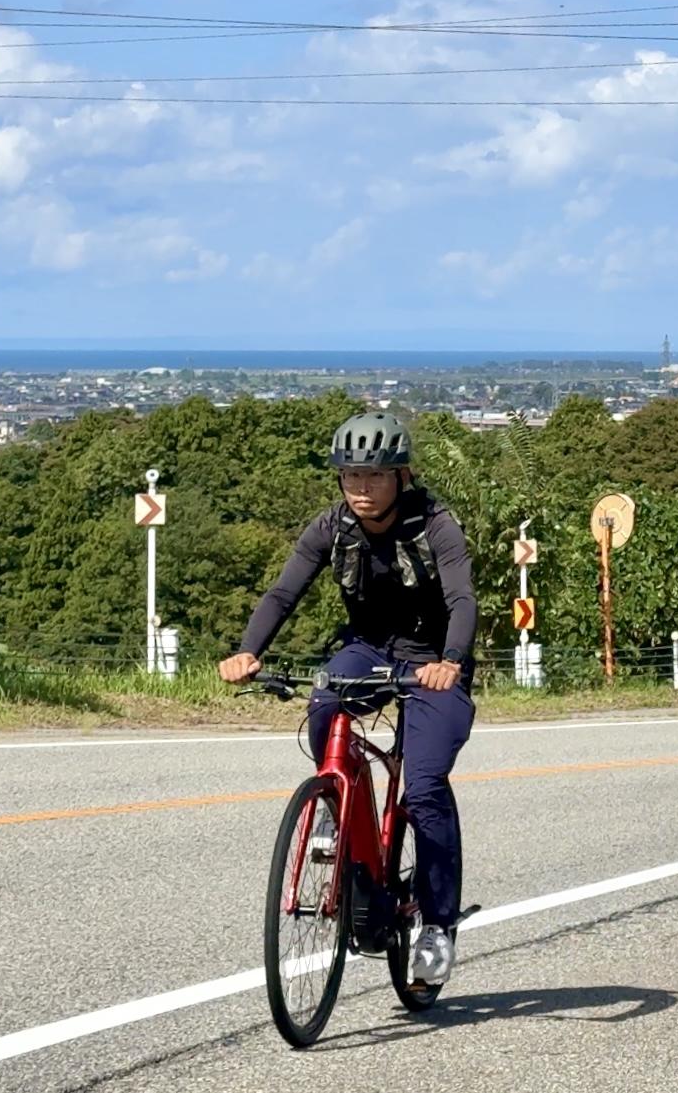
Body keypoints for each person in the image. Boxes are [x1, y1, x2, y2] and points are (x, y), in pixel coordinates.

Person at [220, 411, 477, 987]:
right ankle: (337, 802)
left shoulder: (437, 525)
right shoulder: (331, 527)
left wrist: (450, 663)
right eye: (351, 476)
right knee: (323, 707)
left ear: (402, 476)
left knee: (427, 785)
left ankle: (437, 925)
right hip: (368, 649)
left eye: (375, 476)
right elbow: (284, 591)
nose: (361, 488)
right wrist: (248, 651)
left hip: (434, 662)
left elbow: (462, 599)